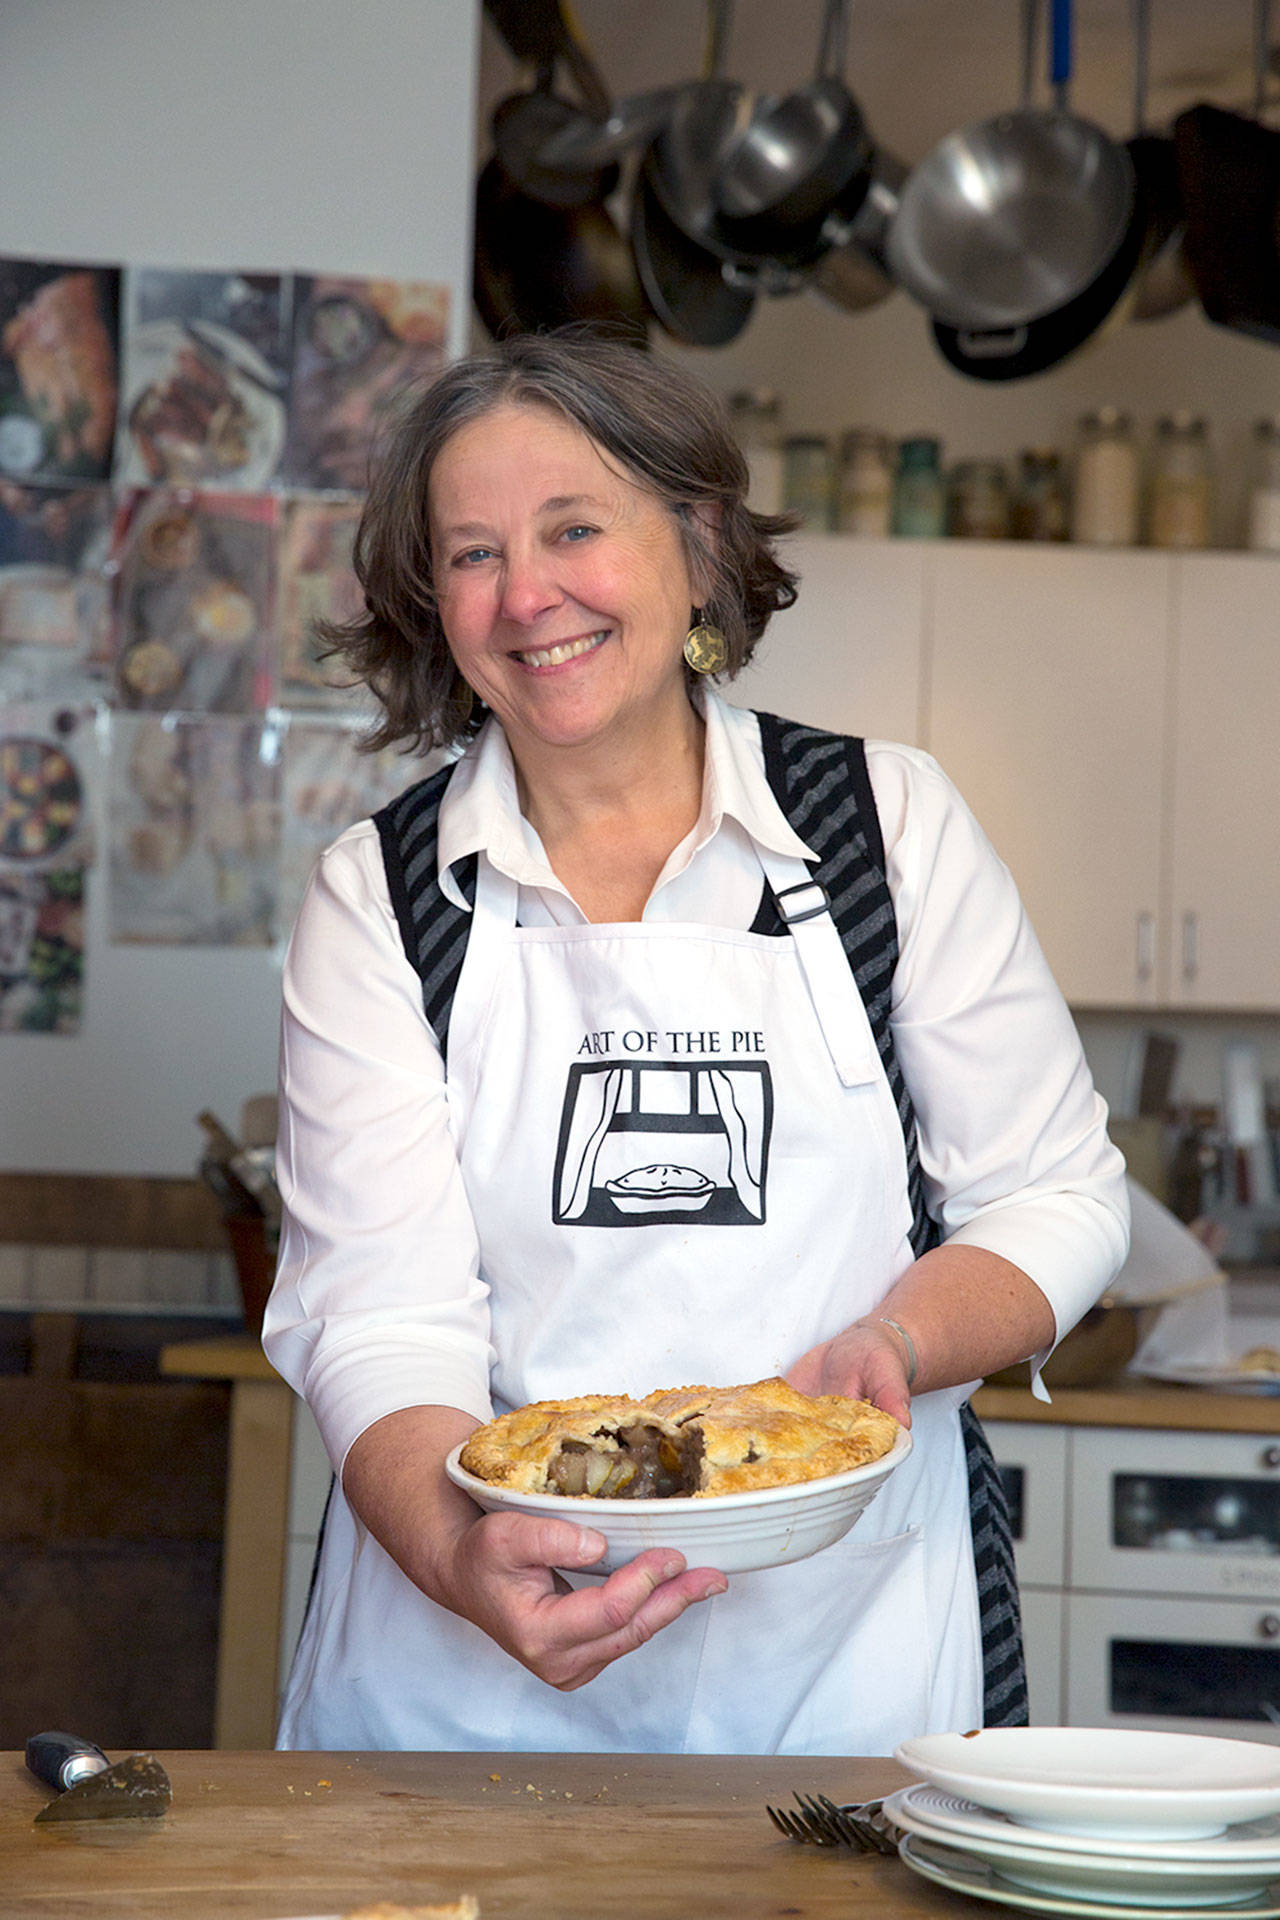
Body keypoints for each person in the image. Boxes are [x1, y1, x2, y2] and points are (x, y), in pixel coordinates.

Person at [262, 330, 1129, 1755]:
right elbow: (377, 1314)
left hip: (839, 1668)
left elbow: (1057, 1196)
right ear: (432, 601)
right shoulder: (384, 894)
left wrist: (901, 1341)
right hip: (462, 1692)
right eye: (472, 554)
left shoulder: (882, 829)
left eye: (573, 530)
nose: (527, 595)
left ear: (698, 540)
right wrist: (457, 1560)